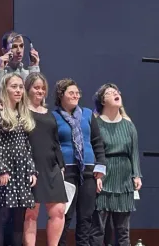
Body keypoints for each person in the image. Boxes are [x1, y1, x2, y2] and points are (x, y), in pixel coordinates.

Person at [52, 78, 107, 246]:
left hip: (89, 172)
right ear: (61, 95)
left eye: (77, 93)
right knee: (64, 216)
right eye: (71, 93)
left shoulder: (88, 114)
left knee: (85, 217)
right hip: (66, 172)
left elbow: (97, 142)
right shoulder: (53, 117)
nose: (76, 95)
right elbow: (53, 145)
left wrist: (100, 167)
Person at [0, 72, 37, 246]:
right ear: (5, 89)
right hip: (6, 170)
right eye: (14, 87)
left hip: (21, 170)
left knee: (18, 217)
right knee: (3, 214)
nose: (18, 90)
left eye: (21, 87)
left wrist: (31, 170)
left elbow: (27, 146)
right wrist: (1, 169)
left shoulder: (22, 112)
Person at [89, 83, 143, 246]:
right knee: (98, 228)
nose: (115, 93)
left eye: (116, 91)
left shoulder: (129, 125)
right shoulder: (95, 123)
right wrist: (96, 174)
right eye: (110, 93)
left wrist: (137, 174)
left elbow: (134, 152)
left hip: (124, 178)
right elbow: (93, 151)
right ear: (102, 101)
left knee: (123, 231)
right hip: (104, 176)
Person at [22, 73, 67, 246]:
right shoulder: (21, 111)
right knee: (31, 213)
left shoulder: (50, 113)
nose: (40, 91)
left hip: (52, 166)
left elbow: (55, 141)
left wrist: (61, 165)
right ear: (28, 89)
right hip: (32, 166)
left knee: (59, 210)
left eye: (42, 88)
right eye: (36, 87)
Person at [0, 31, 40, 103]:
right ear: (4, 51)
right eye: (14, 46)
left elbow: (37, 99)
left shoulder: (28, 74)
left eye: (21, 46)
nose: (19, 51)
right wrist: (1, 70)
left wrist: (34, 67)